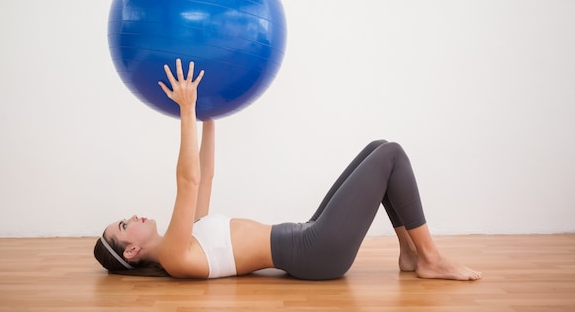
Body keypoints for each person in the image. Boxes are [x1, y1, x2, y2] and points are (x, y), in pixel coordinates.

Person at [94, 59, 482, 281]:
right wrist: (186, 110)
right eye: (125, 226)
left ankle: (409, 254)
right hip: (316, 252)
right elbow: (188, 180)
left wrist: (208, 114)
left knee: (378, 148)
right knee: (392, 155)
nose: (133, 217)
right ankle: (431, 258)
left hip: (307, 236)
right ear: (132, 250)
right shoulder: (176, 256)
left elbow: (205, 175)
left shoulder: (188, 237)